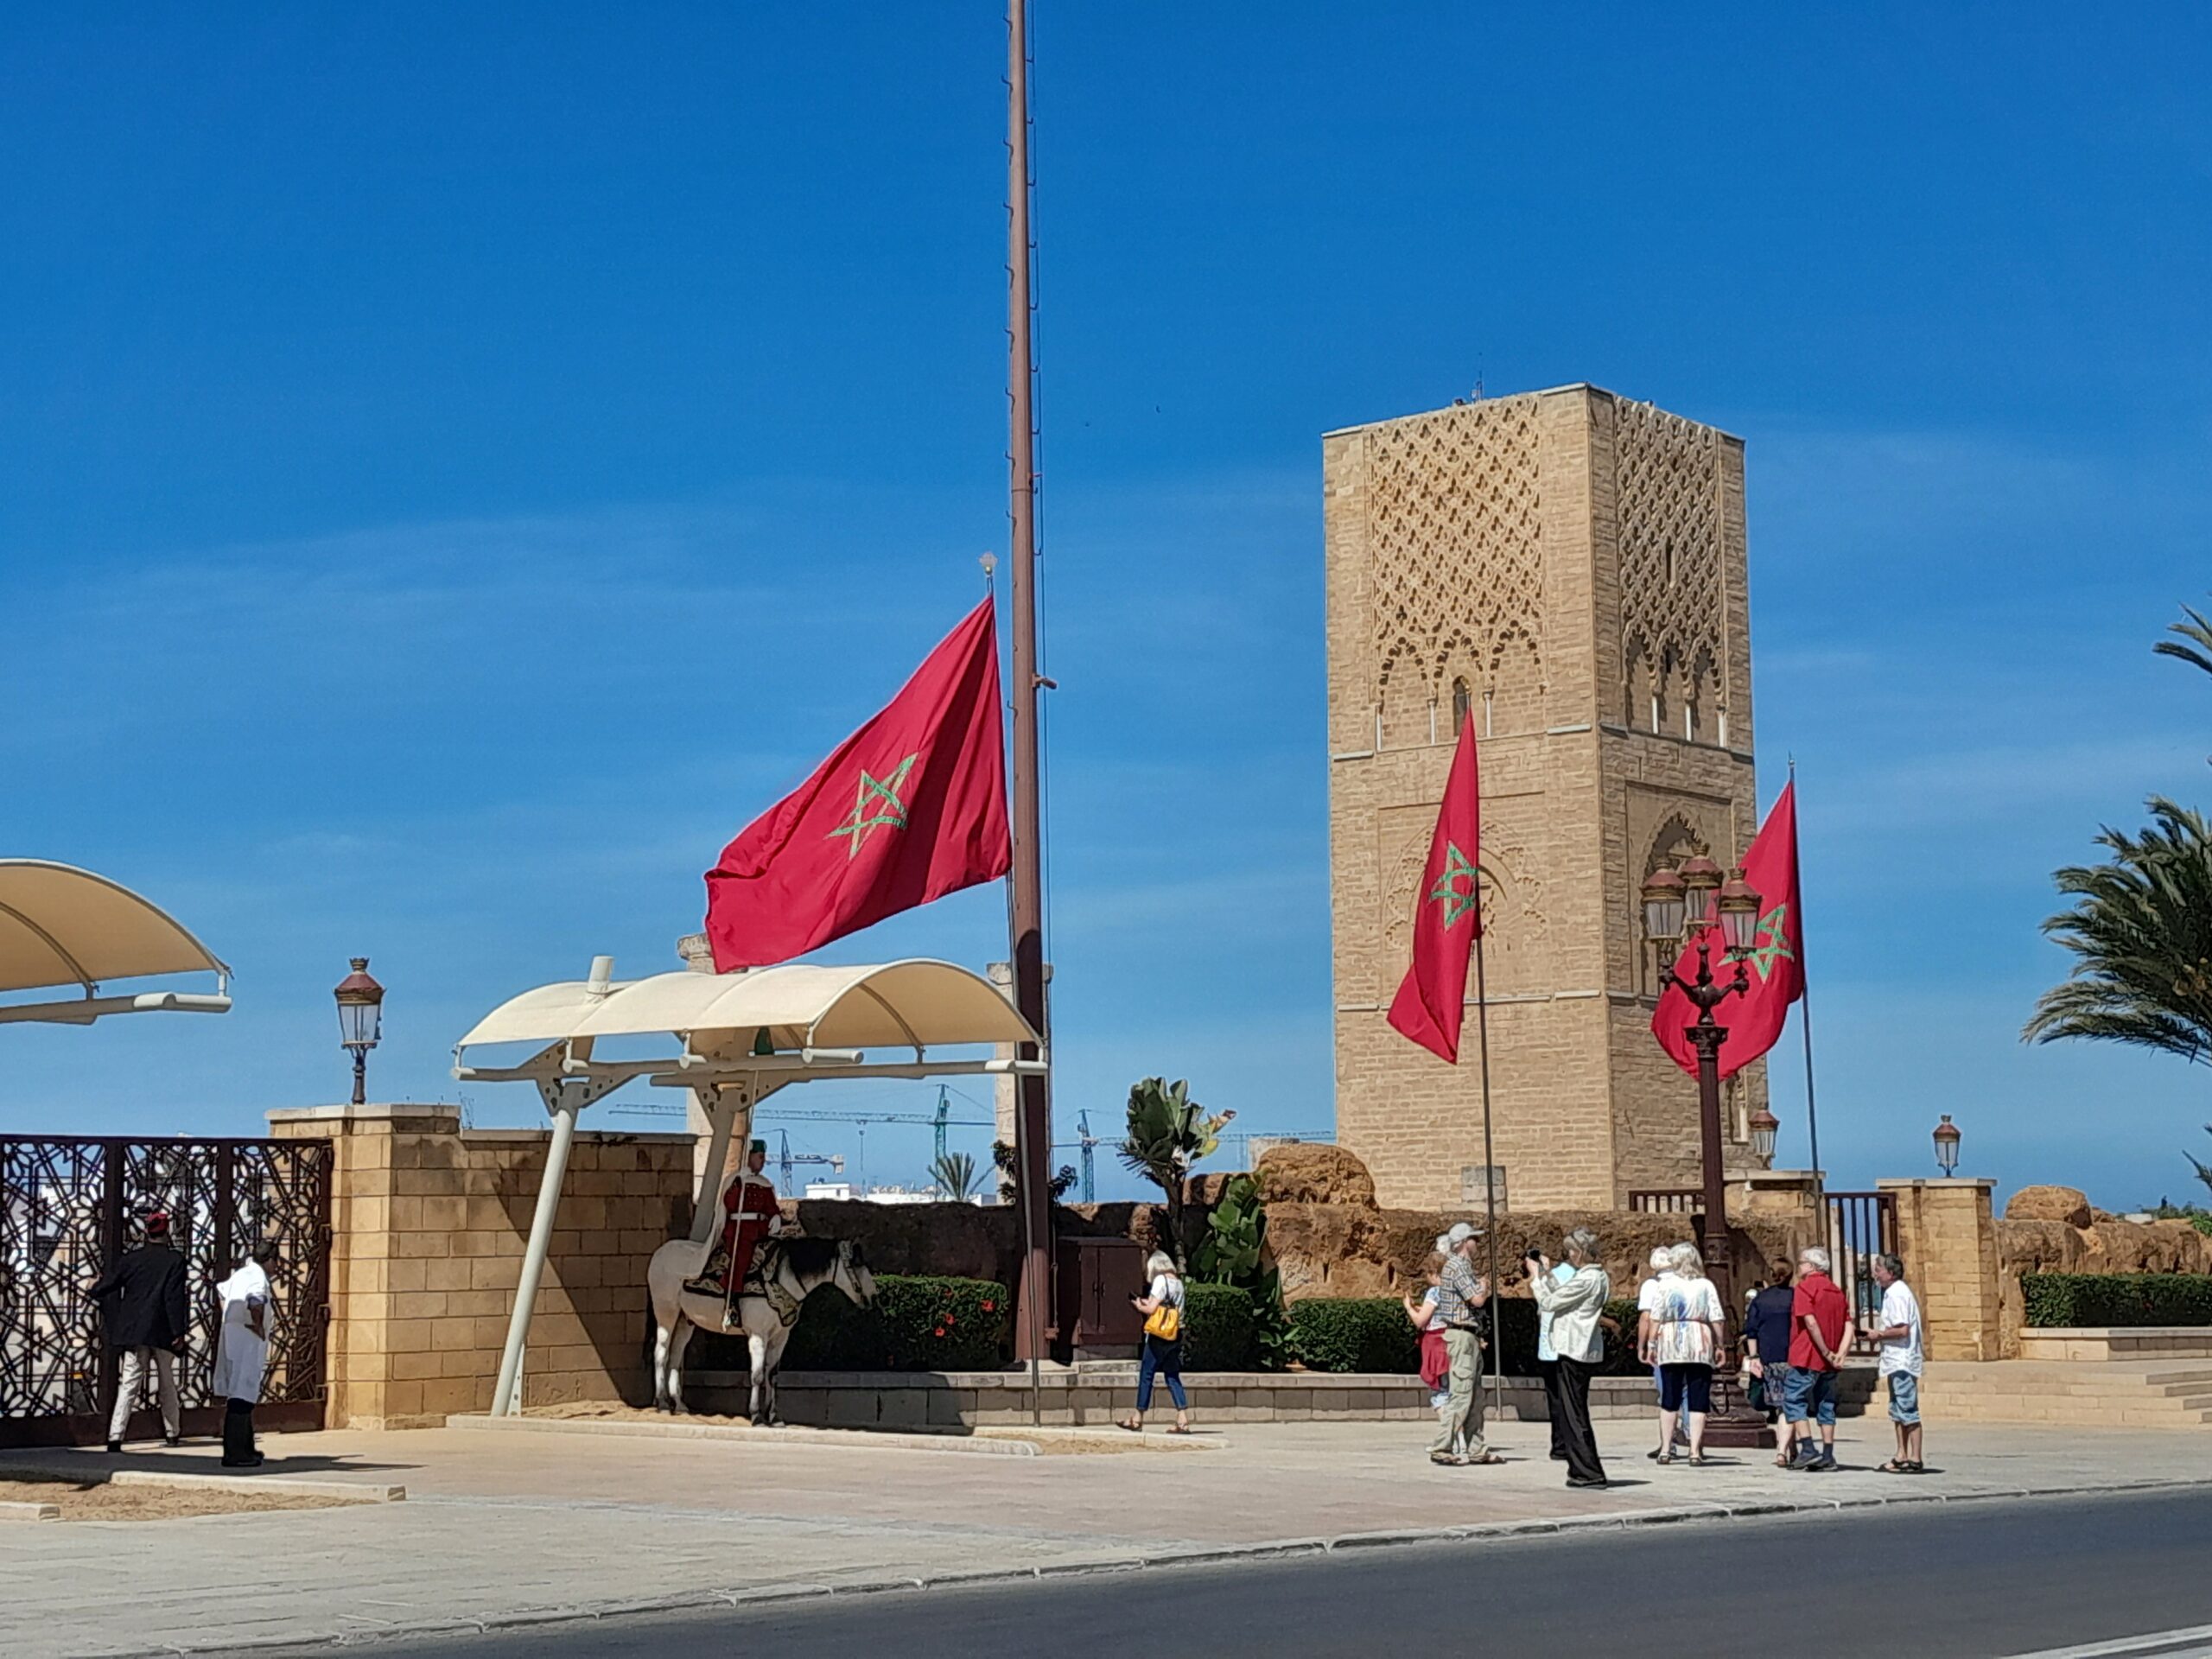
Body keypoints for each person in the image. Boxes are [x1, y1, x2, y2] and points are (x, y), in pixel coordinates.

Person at [90, 1211, 190, 1452]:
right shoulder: (175, 1260)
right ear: (167, 1233)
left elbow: (107, 1285)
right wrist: (179, 1331)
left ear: (147, 1232)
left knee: (129, 1383)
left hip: (135, 1332)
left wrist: (95, 1287)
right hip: (162, 1331)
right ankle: (172, 1432)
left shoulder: (131, 1260)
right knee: (167, 1382)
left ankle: (115, 1436)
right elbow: (173, 1298)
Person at [1528, 1227, 1612, 1488]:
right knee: (1573, 1410)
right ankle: (1580, 1468)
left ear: (1579, 1252)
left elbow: (1550, 1303)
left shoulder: (1587, 1278)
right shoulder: (1598, 1277)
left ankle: (1587, 1470)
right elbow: (1563, 1294)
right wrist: (1545, 1274)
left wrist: (1535, 1279)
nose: (1571, 1256)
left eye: (1572, 1251)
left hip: (1573, 1348)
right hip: (1582, 1348)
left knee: (1573, 1412)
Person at [1647, 1242, 1724, 1465]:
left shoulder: (1665, 1285)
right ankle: (1694, 1451)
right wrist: (1720, 1345)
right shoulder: (1705, 1285)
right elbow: (1717, 1317)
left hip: (1671, 1340)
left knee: (1669, 1398)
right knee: (1698, 1397)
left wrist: (1652, 1344)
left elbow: (1656, 1316)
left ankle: (1665, 1449)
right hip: (1699, 1340)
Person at [1429, 1222, 1499, 1467]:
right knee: (1461, 1394)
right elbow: (1477, 1300)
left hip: (1468, 1334)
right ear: (1462, 1243)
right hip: (1460, 1334)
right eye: (1473, 1239)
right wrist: (1484, 1286)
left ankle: (1477, 1448)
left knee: (1476, 1396)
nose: (1477, 1244)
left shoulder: (1463, 1266)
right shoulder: (1457, 1266)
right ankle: (1442, 1447)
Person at [213, 1239, 280, 1468]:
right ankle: (235, 1453)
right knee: (242, 1395)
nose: (276, 1267)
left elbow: (221, 1291)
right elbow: (255, 1300)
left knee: (242, 1393)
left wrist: (230, 1317)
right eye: (275, 1262)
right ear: (270, 1260)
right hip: (246, 1340)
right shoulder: (257, 1278)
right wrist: (256, 1323)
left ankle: (247, 1447)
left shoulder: (242, 1273)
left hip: (233, 1335)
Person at [1783, 1244, 1852, 1471]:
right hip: (1830, 1360)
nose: (1799, 1266)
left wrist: (1824, 1351)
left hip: (1808, 1355)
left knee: (1794, 1399)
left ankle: (1808, 1447)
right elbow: (1848, 1325)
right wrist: (1839, 1354)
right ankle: (1828, 1454)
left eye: (1802, 1262)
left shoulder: (1805, 1289)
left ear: (1811, 1266)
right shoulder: (1836, 1291)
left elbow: (1810, 1322)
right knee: (1826, 1404)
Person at [1864, 1253, 1924, 1473]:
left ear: (1890, 1272)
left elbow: (1902, 1329)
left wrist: (1878, 1335)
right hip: (1896, 1361)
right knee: (1897, 1409)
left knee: (1907, 1409)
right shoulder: (1893, 1293)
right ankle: (1902, 1454)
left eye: (1878, 1270)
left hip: (1902, 1360)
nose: (1875, 1275)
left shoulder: (1897, 1294)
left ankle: (1915, 1457)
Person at [1121, 1250, 1191, 1434]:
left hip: (1159, 1335)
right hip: (1176, 1332)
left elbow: (1152, 1308)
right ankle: (1182, 1417)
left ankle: (1138, 1417)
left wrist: (1138, 1305)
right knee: (1172, 1375)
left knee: (1147, 1374)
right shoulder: (1178, 1283)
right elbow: (1166, 1306)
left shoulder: (1160, 1280)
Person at [1740, 1261, 1797, 1462]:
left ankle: (1790, 1448)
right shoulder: (1796, 1297)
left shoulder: (1761, 1300)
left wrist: (1754, 1357)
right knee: (1790, 1405)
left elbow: (1752, 1331)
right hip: (1794, 1357)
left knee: (1783, 1404)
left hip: (1769, 1358)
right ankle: (1784, 1450)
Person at [1636, 1246, 1688, 1458]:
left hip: (1664, 1343)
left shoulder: (1652, 1285)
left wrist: (1643, 1345)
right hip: (1687, 1342)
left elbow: (1647, 1317)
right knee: (1686, 1392)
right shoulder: (1686, 1282)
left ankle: (1669, 1442)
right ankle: (1692, 1436)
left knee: (1667, 1392)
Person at [1402, 1251, 1457, 1452]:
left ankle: (1449, 1436)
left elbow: (1421, 1321)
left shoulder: (1435, 1292)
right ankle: (1460, 1437)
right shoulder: (1456, 1291)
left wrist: (1409, 1308)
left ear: (1434, 1273)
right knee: (1454, 1392)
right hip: (1453, 1340)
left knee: (1440, 1394)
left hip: (1436, 1344)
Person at [1532, 1246, 1579, 1463]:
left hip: (1548, 1348)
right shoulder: (1574, 1276)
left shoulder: (1548, 1277)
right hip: (1563, 1347)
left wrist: (1540, 1274)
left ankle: (1559, 1444)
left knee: (1555, 1400)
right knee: (1571, 1400)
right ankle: (1568, 1444)